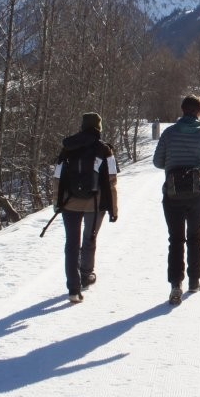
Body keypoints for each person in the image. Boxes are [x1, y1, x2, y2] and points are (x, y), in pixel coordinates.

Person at [152, 94, 200, 306]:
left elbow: (157, 161)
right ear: (198, 112)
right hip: (197, 194)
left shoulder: (169, 133)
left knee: (176, 239)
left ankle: (175, 285)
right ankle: (194, 281)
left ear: (183, 110)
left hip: (172, 193)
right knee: (195, 236)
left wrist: (173, 163)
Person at [52, 112, 119, 304]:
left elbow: (57, 177)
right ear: (99, 127)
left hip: (69, 203)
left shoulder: (68, 148)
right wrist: (114, 209)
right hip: (95, 204)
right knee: (89, 239)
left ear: (82, 126)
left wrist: (57, 202)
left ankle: (73, 289)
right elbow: (112, 181)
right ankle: (86, 275)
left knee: (71, 244)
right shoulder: (105, 150)